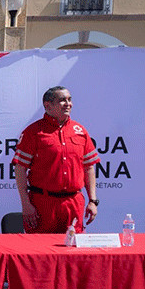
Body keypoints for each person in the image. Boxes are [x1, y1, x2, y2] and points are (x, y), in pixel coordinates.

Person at [12, 86, 100, 233]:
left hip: (73, 204)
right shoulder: (33, 132)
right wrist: (25, 204)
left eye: (69, 100)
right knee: (40, 252)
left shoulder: (80, 131)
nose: (68, 104)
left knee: (73, 251)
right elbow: (20, 168)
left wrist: (92, 201)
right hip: (43, 204)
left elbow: (89, 168)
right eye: (62, 100)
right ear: (47, 105)